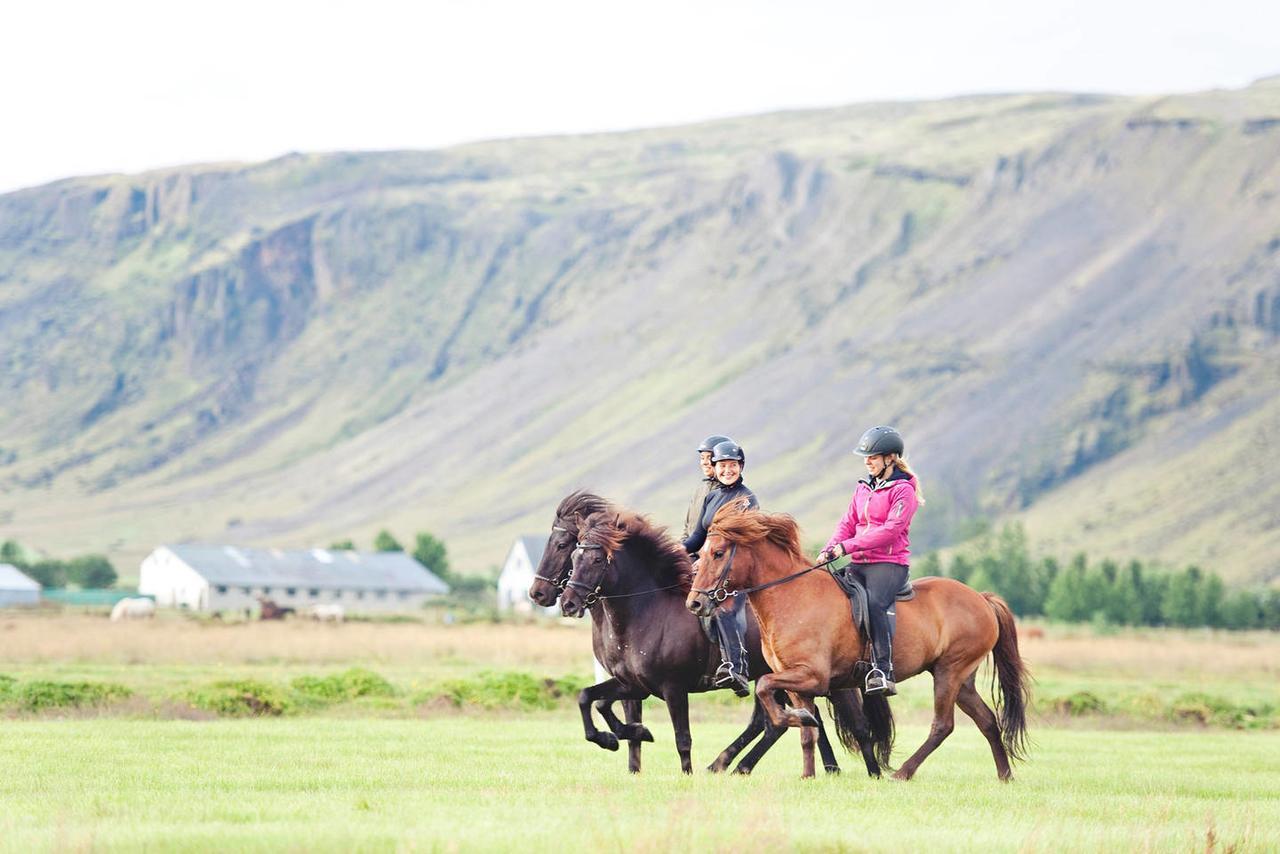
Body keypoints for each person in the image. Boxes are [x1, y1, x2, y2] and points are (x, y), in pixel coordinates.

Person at [816, 426, 923, 696]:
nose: (867, 461)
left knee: (875, 604)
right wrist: (829, 548)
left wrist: (846, 547)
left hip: (889, 564)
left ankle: (883, 670)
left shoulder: (903, 491)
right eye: (865, 457)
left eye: (872, 457)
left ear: (890, 458)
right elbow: (848, 522)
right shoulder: (864, 487)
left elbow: (890, 530)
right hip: (860, 562)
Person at [684, 440, 757, 696]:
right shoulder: (713, 496)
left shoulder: (746, 498)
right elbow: (697, 536)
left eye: (733, 465)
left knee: (725, 608)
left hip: (736, 569)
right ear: (715, 467)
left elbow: (742, 541)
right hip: (711, 562)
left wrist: (708, 559)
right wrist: (677, 551)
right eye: (723, 465)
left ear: (741, 467)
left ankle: (736, 667)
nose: (727, 470)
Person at [683, 435, 731, 540]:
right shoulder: (700, 491)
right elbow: (688, 528)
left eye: (709, 458)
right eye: (702, 458)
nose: (704, 462)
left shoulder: (733, 493)